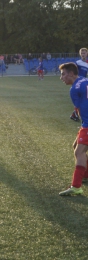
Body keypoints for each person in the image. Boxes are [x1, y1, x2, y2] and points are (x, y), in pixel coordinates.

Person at [59, 62, 88, 195]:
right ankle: (86, 175)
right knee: (76, 145)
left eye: (63, 74)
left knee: (79, 152)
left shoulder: (73, 89)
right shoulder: (84, 79)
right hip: (85, 124)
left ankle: (76, 186)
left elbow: (80, 109)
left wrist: (77, 115)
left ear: (71, 74)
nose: (61, 77)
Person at [70, 48, 88, 122]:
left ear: (87, 54)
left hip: (83, 83)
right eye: (82, 53)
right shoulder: (77, 63)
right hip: (77, 83)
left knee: (82, 100)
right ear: (80, 54)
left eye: (84, 53)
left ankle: (74, 114)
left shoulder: (87, 63)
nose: (83, 55)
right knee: (79, 99)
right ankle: (77, 114)